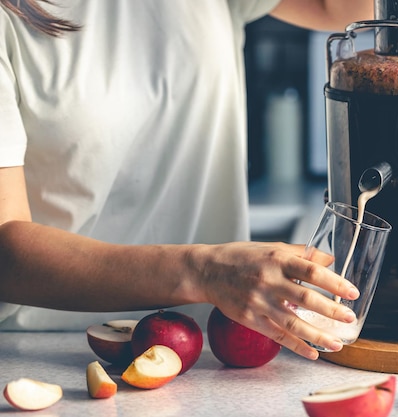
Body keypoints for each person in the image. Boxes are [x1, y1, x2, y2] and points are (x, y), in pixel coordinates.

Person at [0, 0, 373, 361]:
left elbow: (343, 8)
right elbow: (4, 248)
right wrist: (204, 270)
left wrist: (209, 275)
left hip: (210, 351)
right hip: (47, 351)